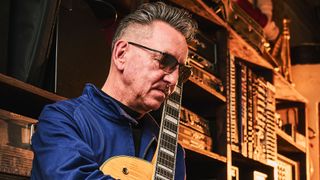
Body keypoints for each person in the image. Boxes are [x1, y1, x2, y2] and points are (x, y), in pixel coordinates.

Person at [31, 1, 197, 179]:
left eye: (182, 71)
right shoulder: (62, 120)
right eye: (165, 61)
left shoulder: (172, 150)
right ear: (121, 54)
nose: (174, 80)